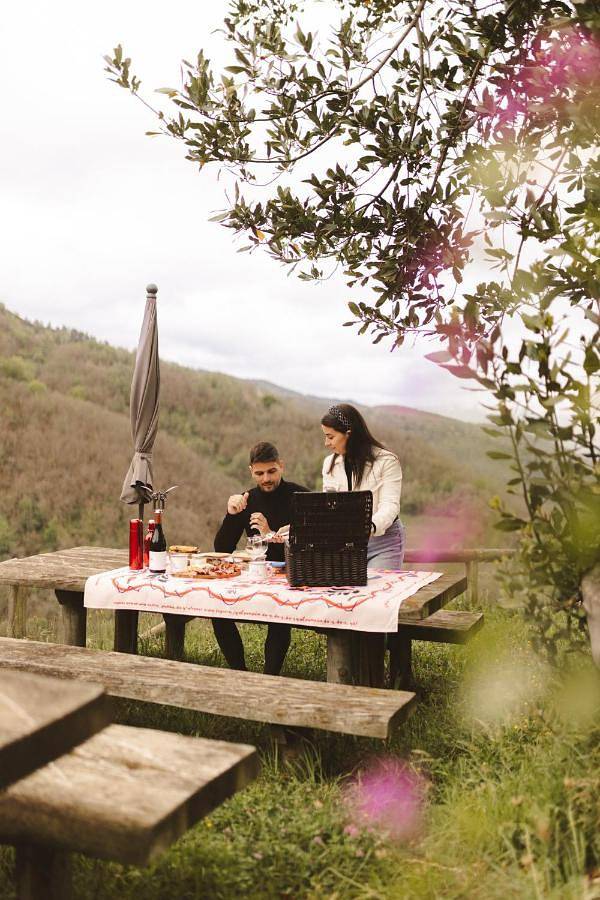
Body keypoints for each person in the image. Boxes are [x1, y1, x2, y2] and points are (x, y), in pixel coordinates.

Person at [213, 441, 309, 675]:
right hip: (255, 577)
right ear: (251, 471)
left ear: (281, 466)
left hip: (289, 577)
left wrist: (269, 533)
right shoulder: (248, 500)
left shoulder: (300, 496)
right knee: (217, 609)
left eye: (271, 471)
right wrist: (231, 514)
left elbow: (308, 546)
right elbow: (222, 547)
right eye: (259, 473)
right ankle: (240, 672)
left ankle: (270, 676)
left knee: (279, 612)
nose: (266, 478)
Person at [320, 403, 405, 569]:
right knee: (347, 593)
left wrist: (368, 528)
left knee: (381, 592)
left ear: (349, 434)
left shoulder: (387, 461)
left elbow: (390, 505)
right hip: (347, 543)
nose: (326, 443)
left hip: (384, 542)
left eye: (330, 437)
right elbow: (330, 506)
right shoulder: (329, 464)